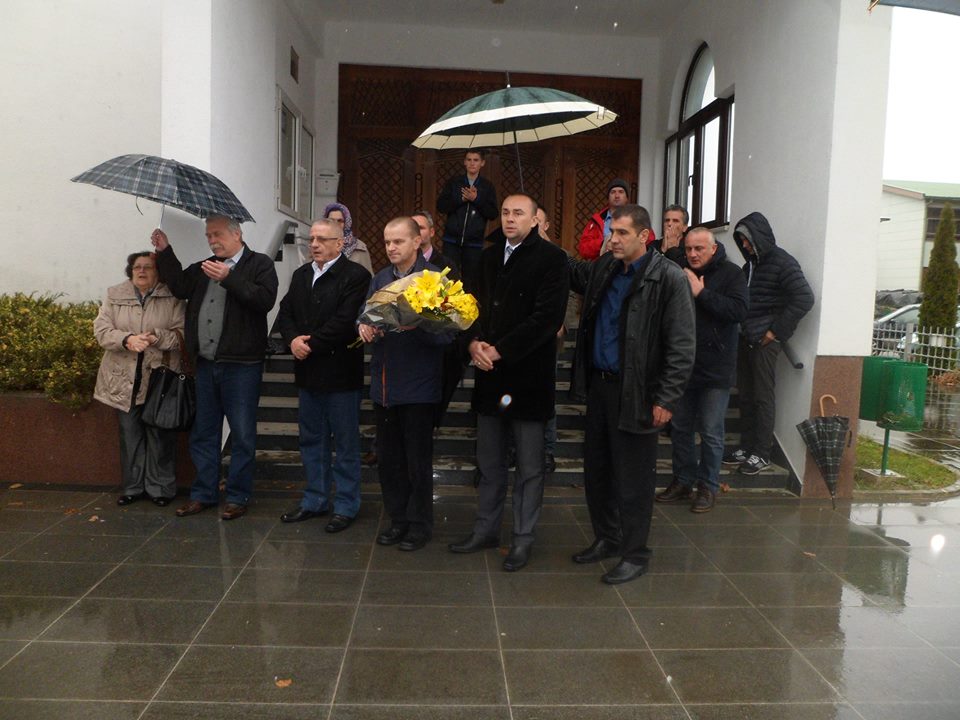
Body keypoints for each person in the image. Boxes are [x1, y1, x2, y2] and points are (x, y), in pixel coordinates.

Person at [568, 204, 695, 584]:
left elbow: (682, 345)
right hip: (600, 387)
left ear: (644, 236)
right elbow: (574, 272)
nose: (614, 239)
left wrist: (666, 399)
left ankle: (635, 554)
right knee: (598, 471)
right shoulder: (606, 268)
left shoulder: (668, 277)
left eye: (622, 233)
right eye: (612, 232)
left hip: (638, 391)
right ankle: (607, 538)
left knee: (634, 480)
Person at [448, 194, 569, 571]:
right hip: (490, 378)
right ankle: (485, 529)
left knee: (530, 467)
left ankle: (522, 538)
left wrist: (499, 350)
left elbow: (546, 318)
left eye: (519, 213)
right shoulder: (486, 258)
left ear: (535, 220)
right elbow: (468, 308)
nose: (510, 218)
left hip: (527, 377)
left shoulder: (552, 259)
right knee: (489, 462)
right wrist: (473, 343)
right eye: (505, 212)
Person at [152, 216, 279, 520]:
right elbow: (179, 286)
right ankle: (203, 494)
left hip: (242, 366)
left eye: (217, 234)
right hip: (206, 364)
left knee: (242, 433)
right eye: (208, 235)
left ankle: (237, 495)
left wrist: (229, 278)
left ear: (237, 234)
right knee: (204, 432)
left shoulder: (259, 264)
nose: (212, 240)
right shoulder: (204, 266)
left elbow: (264, 300)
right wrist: (165, 251)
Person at [359, 217, 454, 550]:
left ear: (417, 242)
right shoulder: (381, 279)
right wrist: (364, 327)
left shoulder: (435, 280)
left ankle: (419, 524)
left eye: (398, 241)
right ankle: (397, 519)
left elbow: (448, 334)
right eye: (387, 242)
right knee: (389, 461)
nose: (391, 248)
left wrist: (420, 325)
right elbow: (365, 314)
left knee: (417, 462)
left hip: (418, 388)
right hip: (385, 386)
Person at [275, 219, 371, 532]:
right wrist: (292, 340)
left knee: (345, 443)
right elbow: (286, 312)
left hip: (340, 374)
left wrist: (309, 344)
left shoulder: (356, 275)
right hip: (308, 373)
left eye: (322, 239)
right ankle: (315, 499)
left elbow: (345, 321)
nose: (314, 244)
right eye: (312, 238)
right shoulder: (301, 274)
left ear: (339, 243)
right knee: (311, 440)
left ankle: (346, 505)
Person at [656, 227, 748, 512]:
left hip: (716, 369)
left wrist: (701, 293)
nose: (693, 254)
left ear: (713, 248)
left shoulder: (732, 274)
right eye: (689, 249)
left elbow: (739, 311)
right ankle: (683, 481)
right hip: (683, 366)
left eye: (699, 249)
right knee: (680, 428)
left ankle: (708, 487)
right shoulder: (678, 271)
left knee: (710, 431)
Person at [723, 212, 814, 476]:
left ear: (759, 237)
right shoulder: (750, 266)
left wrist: (775, 332)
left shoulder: (783, 262)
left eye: (747, 239)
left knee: (763, 397)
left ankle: (762, 452)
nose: (744, 245)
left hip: (765, 341)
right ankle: (746, 447)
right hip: (745, 337)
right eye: (741, 240)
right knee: (746, 396)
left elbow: (804, 298)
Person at [93, 251, 186, 507]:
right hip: (124, 378)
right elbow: (101, 331)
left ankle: (161, 489)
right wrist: (127, 340)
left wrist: (156, 337)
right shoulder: (115, 295)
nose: (142, 271)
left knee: (160, 435)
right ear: (130, 271)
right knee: (130, 435)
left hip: (160, 376)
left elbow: (182, 333)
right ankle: (132, 488)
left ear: (158, 272)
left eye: (148, 267)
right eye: (137, 267)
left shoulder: (173, 297)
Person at [436, 149, 498, 289]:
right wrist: (461, 199)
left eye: (476, 160)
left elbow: (493, 213)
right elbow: (441, 206)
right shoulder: (454, 182)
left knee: (471, 281)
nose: (472, 163)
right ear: (464, 162)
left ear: (482, 163)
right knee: (448, 278)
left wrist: (476, 199)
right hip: (451, 240)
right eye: (469, 160)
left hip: (474, 243)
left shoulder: (487, 186)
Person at [578, 178, 630, 260]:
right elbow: (583, 249)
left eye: (621, 192)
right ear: (608, 197)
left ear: (627, 198)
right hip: (602, 265)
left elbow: (647, 242)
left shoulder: (637, 218)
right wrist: (603, 243)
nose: (617, 196)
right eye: (613, 192)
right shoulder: (596, 220)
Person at [323, 202, 373, 274]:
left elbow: (368, 276)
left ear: (346, 223)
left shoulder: (359, 247)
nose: (336, 224)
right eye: (331, 220)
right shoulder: (317, 245)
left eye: (340, 221)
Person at [412, 209, 459, 280]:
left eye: (420, 228)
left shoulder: (447, 265)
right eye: (412, 229)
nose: (416, 232)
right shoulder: (400, 262)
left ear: (431, 232)